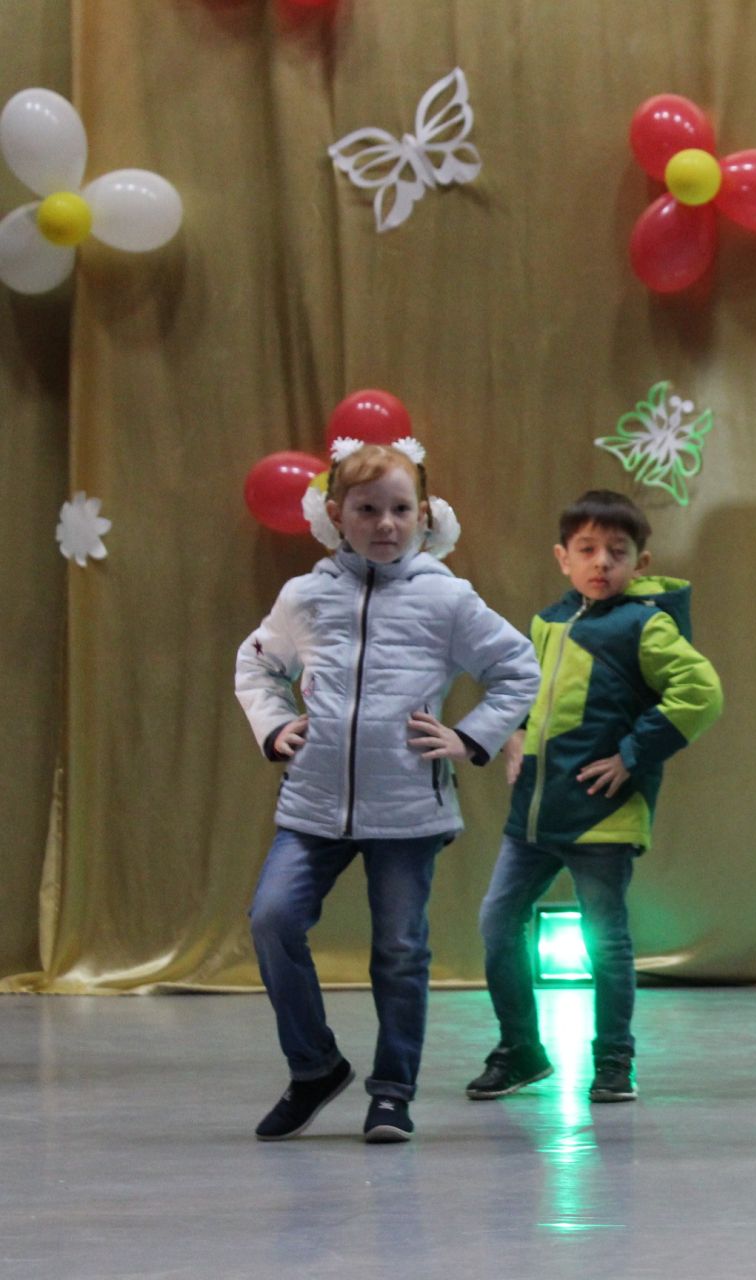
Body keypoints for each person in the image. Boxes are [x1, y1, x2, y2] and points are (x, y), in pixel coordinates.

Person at [236, 437, 539, 1143]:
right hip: (312, 807)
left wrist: (469, 739)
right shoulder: (305, 595)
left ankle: (393, 1091)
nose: (385, 524)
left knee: (400, 949)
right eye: (367, 509)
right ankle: (313, 1067)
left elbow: (518, 668)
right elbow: (256, 666)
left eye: (400, 509)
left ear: (425, 515)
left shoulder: (446, 597)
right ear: (337, 514)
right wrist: (275, 725)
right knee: (273, 919)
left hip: (407, 811)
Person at [466, 490, 722, 1105]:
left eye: (617, 551)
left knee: (604, 937)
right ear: (563, 557)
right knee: (498, 921)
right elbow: (529, 688)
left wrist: (632, 755)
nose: (601, 563)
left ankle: (613, 1061)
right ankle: (521, 1049)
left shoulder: (645, 624)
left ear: (641, 560)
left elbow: (700, 691)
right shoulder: (548, 621)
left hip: (602, 815)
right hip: (534, 812)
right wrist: (516, 733)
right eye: (587, 550)